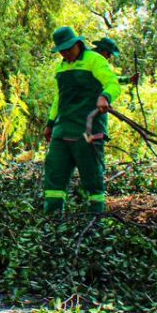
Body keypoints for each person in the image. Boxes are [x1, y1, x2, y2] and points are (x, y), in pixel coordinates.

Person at [43, 27, 121, 214]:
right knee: (54, 175)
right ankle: (52, 220)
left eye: (68, 48)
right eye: (62, 50)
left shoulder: (94, 60)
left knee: (92, 178)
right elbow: (59, 98)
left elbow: (113, 84)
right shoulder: (62, 67)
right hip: (63, 129)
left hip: (88, 130)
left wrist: (105, 97)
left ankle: (96, 220)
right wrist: (50, 123)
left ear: (78, 43)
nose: (65, 53)